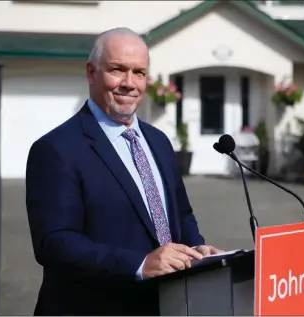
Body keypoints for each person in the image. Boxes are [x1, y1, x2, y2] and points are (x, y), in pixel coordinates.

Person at [25, 27, 223, 316]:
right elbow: (54, 243)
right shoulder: (56, 149)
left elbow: (180, 214)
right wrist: (140, 264)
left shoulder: (158, 141)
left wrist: (197, 250)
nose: (129, 83)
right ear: (91, 73)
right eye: (117, 70)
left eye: (139, 73)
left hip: (166, 305)